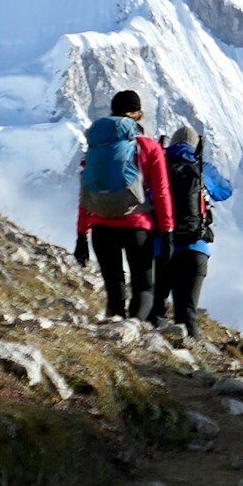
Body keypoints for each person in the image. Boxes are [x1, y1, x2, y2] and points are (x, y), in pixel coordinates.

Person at [74, 90, 174, 322]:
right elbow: (161, 192)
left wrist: (82, 234)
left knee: (115, 290)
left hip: (101, 227)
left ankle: (114, 334)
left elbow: (85, 190)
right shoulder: (148, 146)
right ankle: (133, 331)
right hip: (137, 227)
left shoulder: (96, 147)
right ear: (138, 115)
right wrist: (167, 231)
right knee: (143, 288)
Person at [162, 124, 233, 339]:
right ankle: (192, 360)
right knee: (187, 311)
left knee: (155, 306)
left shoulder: (160, 163)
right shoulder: (202, 167)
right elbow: (226, 190)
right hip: (196, 248)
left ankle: (155, 350)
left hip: (163, 247)